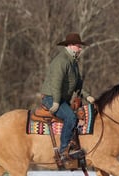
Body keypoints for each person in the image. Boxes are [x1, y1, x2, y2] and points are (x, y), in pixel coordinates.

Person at [40, 33, 95, 162]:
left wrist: (88, 96)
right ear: (70, 46)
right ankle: (64, 151)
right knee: (70, 117)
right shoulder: (62, 61)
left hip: (60, 99)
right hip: (51, 97)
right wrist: (56, 102)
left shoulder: (73, 63)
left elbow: (77, 86)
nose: (80, 49)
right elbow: (56, 83)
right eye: (78, 46)